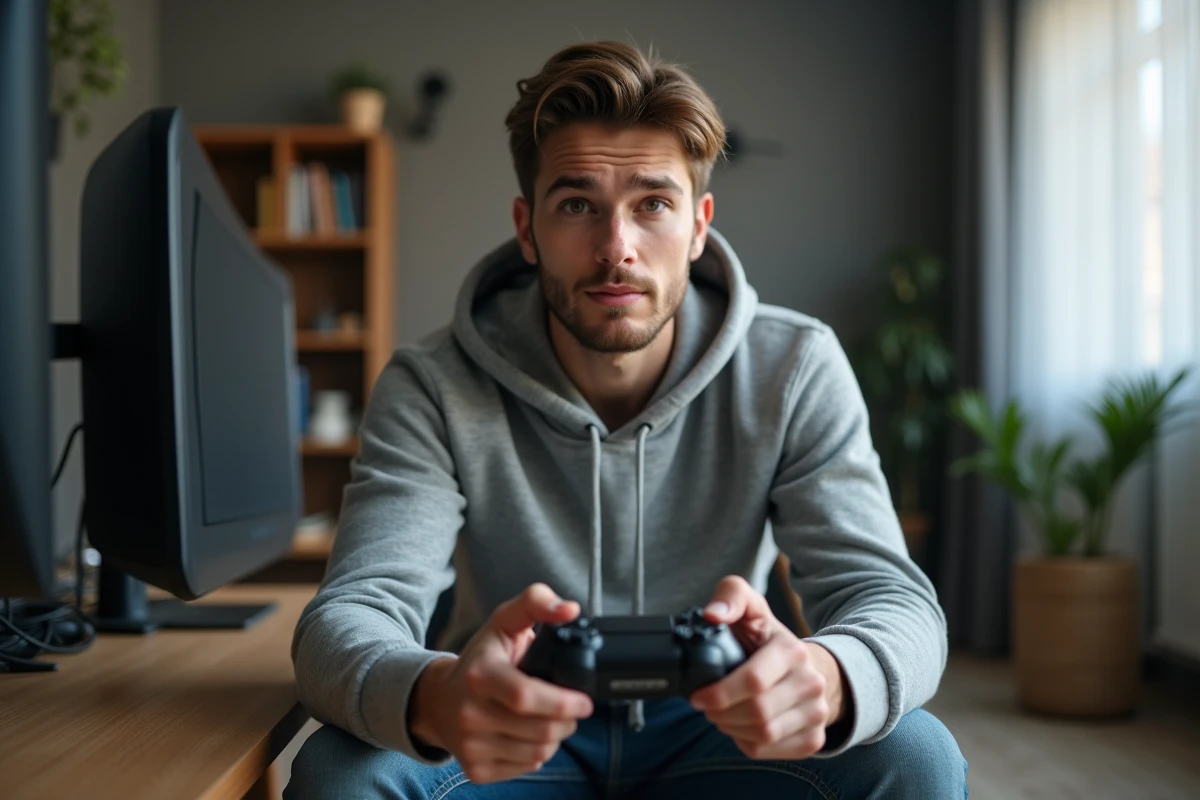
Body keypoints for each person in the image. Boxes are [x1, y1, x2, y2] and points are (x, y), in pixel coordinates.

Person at [285, 41, 966, 799]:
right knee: (340, 775)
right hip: (519, 719)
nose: (618, 249)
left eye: (653, 204)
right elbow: (349, 614)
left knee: (919, 759)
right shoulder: (432, 385)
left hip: (722, 719)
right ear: (527, 228)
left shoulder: (795, 366)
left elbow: (891, 596)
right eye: (577, 205)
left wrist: (832, 677)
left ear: (699, 223)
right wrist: (439, 699)